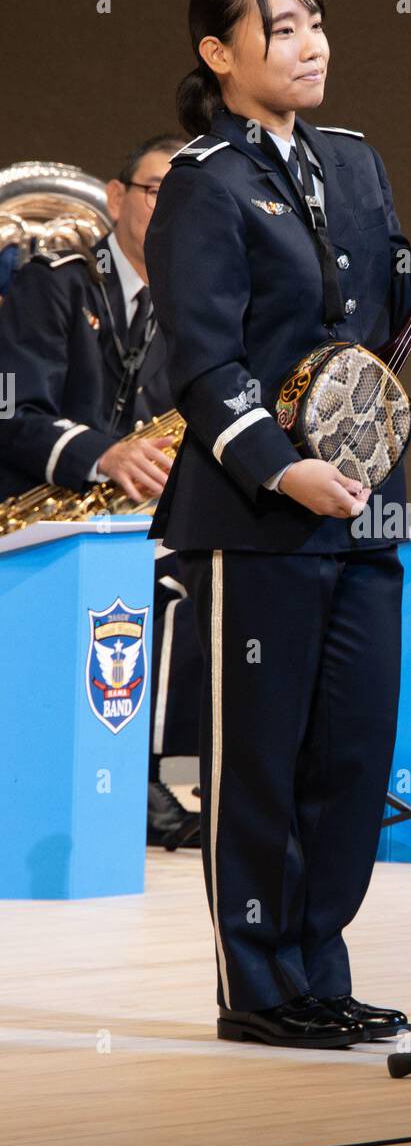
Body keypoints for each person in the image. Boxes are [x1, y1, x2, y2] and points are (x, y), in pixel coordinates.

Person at [144, 0, 411, 1050]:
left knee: (351, 754)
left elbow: (397, 316)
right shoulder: (202, 182)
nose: (309, 43)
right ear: (218, 54)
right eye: (280, 29)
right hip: (257, 518)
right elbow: (204, 365)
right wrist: (281, 464)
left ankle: (319, 966)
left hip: (365, 506)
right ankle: (259, 988)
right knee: (260, 765)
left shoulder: (353, 165)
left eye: (315, 20)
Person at [0, 136, 204, 850]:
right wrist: (103, 455)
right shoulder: (52, 281)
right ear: (116, 199)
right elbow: (11, 414)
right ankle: (136, 773)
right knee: (169, 584)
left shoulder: (197, 304)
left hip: (134, 519)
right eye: (158, 192)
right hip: (38, 510)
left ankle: (228, 772)